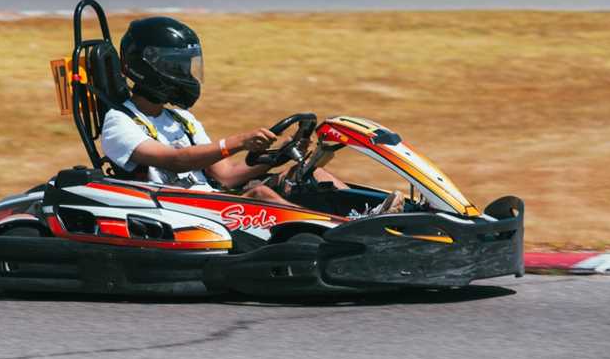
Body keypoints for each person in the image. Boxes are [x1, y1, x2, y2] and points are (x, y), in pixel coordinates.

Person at [101, 16, 403, 212]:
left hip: (215, 201)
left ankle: (369, 216)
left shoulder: (181, 120)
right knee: (261, 197)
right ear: (149, 67)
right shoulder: (119, 123)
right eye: (177, 66)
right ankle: (342, 233)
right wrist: (239, 142)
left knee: (310, 175)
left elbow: (228, 176)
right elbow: (175, 161)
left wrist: (280, 157)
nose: (185, 74)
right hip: (181, 211)